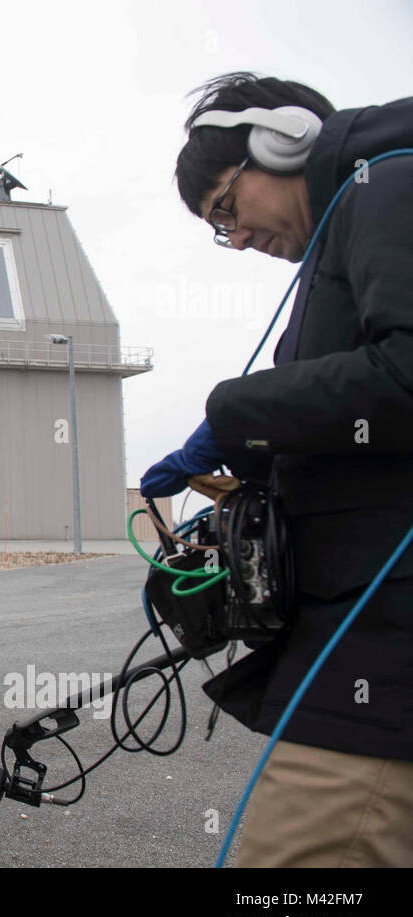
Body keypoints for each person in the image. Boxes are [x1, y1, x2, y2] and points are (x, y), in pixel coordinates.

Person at [144, 74, 413, 866]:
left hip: (383, 652)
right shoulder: (350, 231)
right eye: (215, 231)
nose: (234, 238)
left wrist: (237, 412)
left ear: (282, 139)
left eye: (226, 209)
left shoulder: (386, 188)